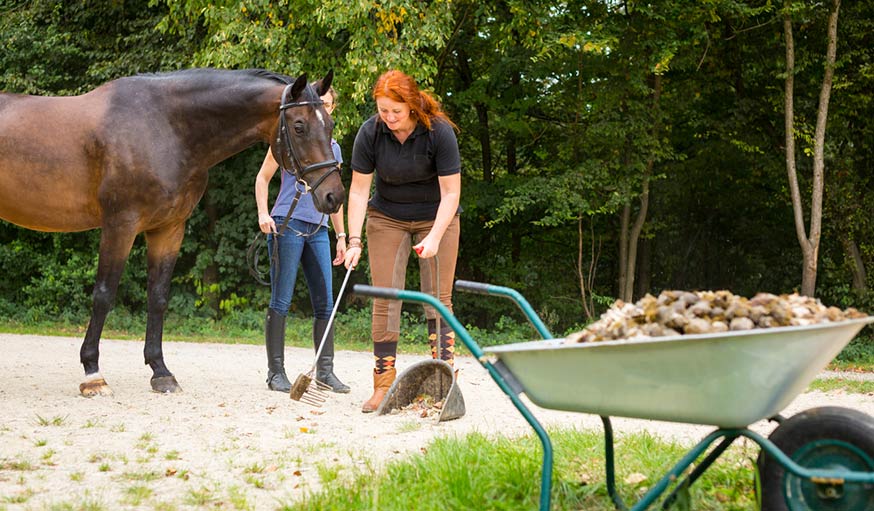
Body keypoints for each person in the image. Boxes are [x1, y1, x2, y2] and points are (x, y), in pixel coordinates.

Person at [344, 70, 461, 413]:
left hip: (436, 216)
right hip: (387, 217)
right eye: (383, 111)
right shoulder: (370, 132)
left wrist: (436, 236)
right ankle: (383, 382)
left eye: (396, 111)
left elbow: (451, 192)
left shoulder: (438, 132)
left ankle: (443, 382)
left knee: (437, 299)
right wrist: (353, 240)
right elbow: (359, 191)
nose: (390, 118)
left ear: (410, 105)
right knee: (385, 297)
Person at [254, 86, 350, 394]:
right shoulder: (288, 139)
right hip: (288, 222)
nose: (322, 107)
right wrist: (263, 214)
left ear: (331, 110)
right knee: (282, 298)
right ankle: (275, 372)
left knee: (326, 302)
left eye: (326, 104)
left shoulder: (333, 149)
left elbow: (334, 197)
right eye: (317, 103)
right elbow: (262, 178)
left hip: (319, 228)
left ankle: (326, 371)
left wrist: (342, 235)